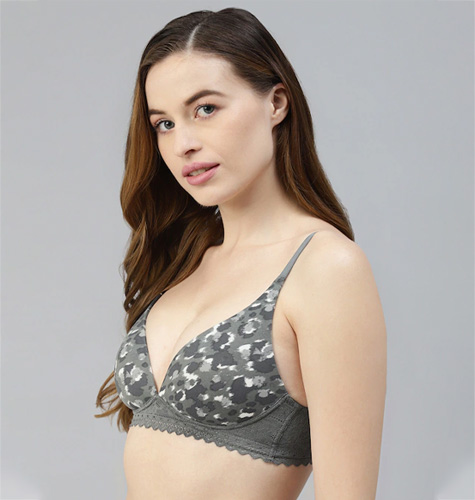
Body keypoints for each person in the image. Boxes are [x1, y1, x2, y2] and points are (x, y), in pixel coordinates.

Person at [95, 7, 387, 500]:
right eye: (163, 123)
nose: (183, 144)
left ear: (276, 103)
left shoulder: (325, 268)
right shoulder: (186, 263)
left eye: (206, 109)